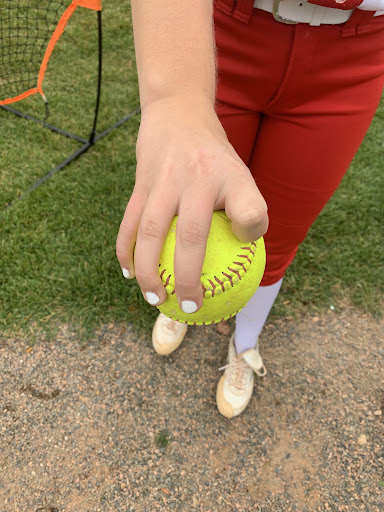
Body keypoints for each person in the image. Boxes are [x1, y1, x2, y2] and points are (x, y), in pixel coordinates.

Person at [116, 0, 384, 419]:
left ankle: (245, 342)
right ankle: (187, 305)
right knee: (189, 213)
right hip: (219, 30)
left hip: (355, 54)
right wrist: (174, 99)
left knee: (273, 236)